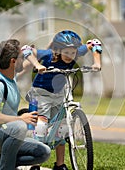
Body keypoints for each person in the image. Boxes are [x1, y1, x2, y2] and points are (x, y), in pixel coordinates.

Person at [21, 30, 102, 170]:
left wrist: (97, 63)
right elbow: (26, 50)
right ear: (58, 50)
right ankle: (35, 165)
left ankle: (60, 165)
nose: (70, 56)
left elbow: (95, 43)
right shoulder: (48, 55)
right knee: (41, 126)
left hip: (59, 94)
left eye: (73, 53)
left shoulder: (75, 53)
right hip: (42, 93)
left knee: (62, 128)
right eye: (67, 52)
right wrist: (37, 65)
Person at [0, 39, 51, 170]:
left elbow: (28, 65)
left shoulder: (11, 77)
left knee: (43, 152)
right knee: (19, 127)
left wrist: (44, 51)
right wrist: (20, 119)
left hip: (3, 137)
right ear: (13, 61)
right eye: (21, 57)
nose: (24, 58)